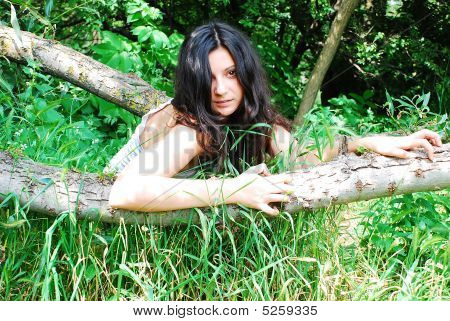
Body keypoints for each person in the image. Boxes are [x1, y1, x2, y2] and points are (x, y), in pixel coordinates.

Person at [106, 21, 442, 216]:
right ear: (194, 81)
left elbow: (298, 152)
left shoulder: (243, 118)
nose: (221, 89)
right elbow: (123, 193)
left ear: (247, 74)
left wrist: (365, 143)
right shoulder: (187, 129)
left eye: (232, 73)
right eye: (208, 77)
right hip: (104, 238)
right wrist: (232, 188)